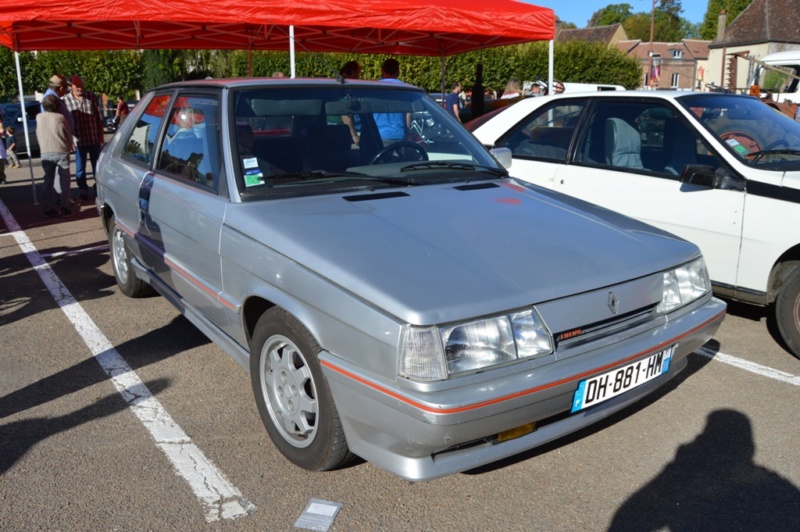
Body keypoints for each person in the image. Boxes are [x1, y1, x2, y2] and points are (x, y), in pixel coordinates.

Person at [64, 74, 104, 200]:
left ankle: (98, 187)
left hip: (93, 138)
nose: (80, 88)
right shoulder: (65, 100)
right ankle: (83, 190)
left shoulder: (91, 97)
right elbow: (65, 122)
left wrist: (100, 135)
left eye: (82, 86)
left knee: (96, 165)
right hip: (78, 140)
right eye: (77, 86)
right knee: (80, 167)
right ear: (71, 86)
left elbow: (98, 118)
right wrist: (69, 140)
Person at [37, 94, 75, 217]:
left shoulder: (39, 117)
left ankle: (47, 207)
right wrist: (70, 145)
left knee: (48, 179)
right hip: (61, 150)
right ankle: (65, 205)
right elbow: (68, 134)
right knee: (64, 180)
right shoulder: (60, 118)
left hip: (45, 151)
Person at [374, 58, 410, 145]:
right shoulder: (405, 88)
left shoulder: (373, 87)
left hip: (377, 135)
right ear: (398, 72)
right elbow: (408, 115)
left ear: (382, 70)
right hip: (399, 134)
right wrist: (407, 133)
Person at [340, 61, 362, 144]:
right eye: (358, 73)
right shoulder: (345, 87)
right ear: (353, 72)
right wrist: (354, 135)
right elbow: (345, 113)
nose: (359, 77)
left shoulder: (338, 84)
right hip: (345, 130)